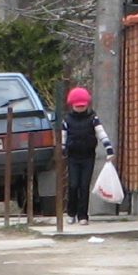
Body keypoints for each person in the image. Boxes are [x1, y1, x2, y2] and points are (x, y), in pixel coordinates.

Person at [60, 85, 103, 225]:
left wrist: (109, 149)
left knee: (84, 186)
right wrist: (62, 150)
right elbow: (63, 136)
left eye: (82, 106)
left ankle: (83, 215)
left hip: (88, 156)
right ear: (72, 105)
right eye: (77, 106)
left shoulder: (92, 118)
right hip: (73, 157)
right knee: (73, 185)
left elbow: (101, 133)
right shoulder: (67, 119)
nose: (80, 108)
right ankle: (71, 212)